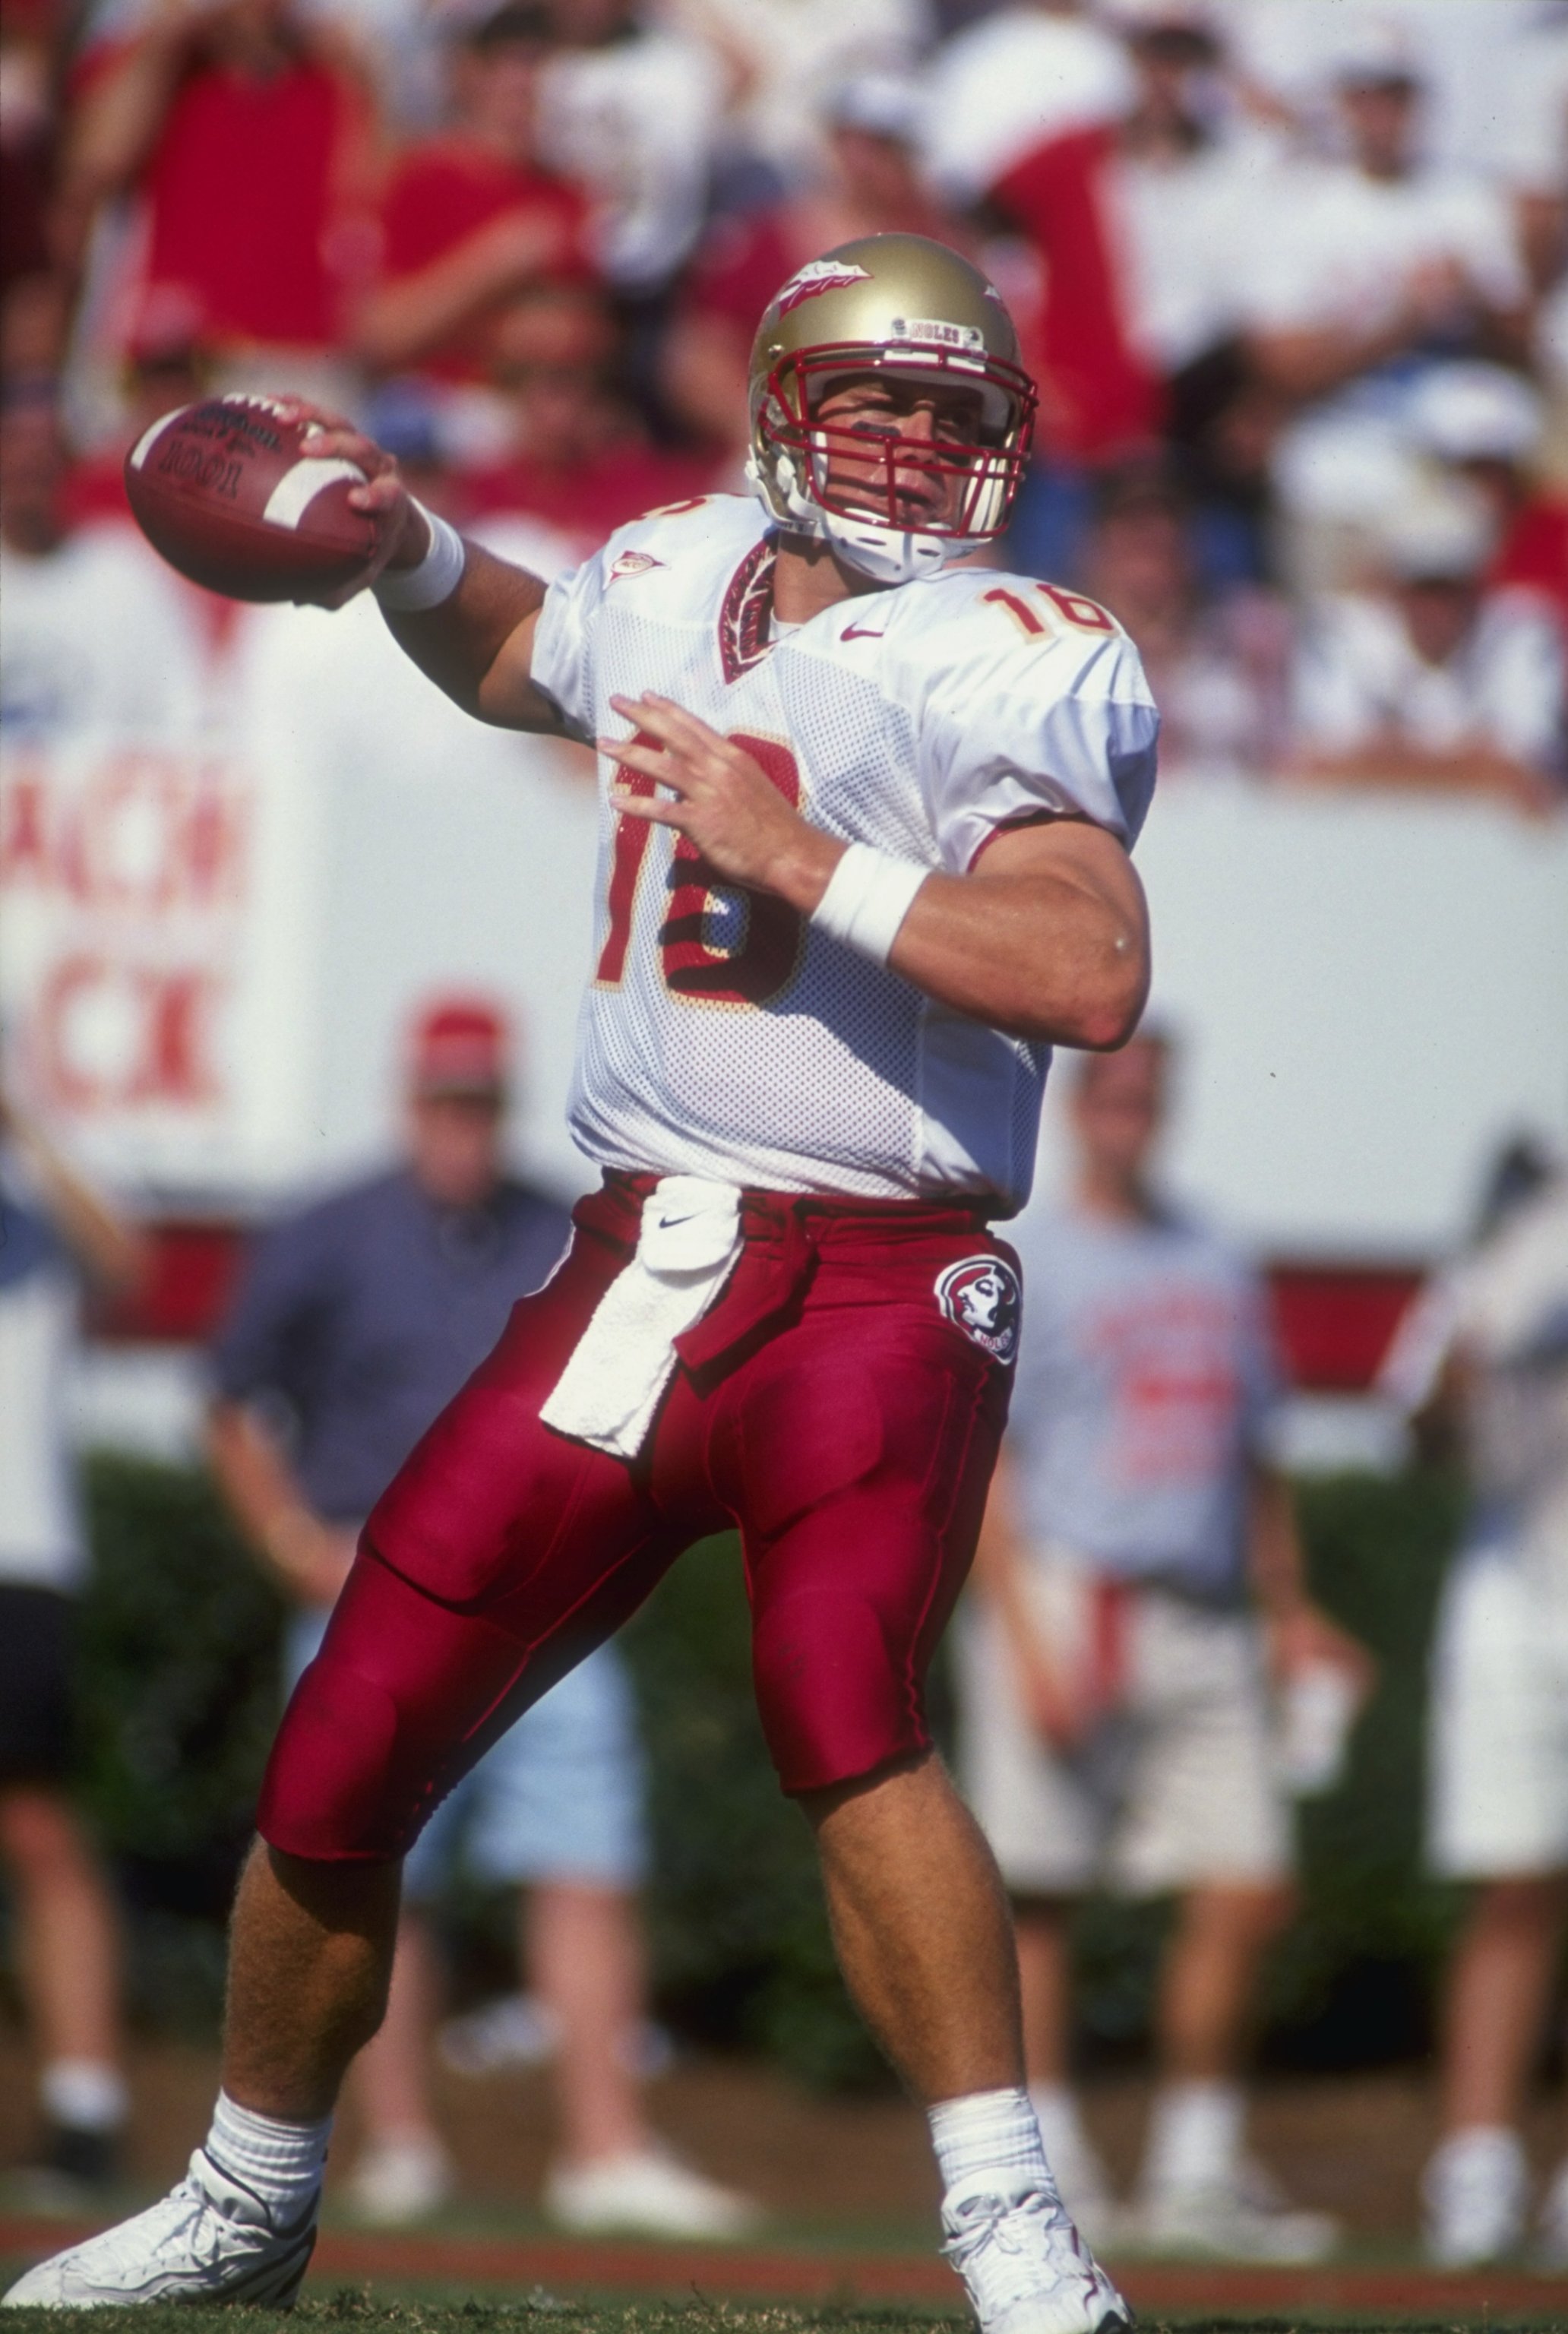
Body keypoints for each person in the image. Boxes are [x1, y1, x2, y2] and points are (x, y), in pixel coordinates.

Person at [6, 232, 1159, 2334]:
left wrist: (799, 854)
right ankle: (248, 2192)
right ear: (778, 402)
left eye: (954, 412)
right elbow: (533, 651)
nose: (914, 446)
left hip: (882, 1280)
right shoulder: (671, 563)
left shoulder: (1018, 645)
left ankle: (1014, 2234)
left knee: (847, 1713)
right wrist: (403, 545)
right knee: (348, 1741)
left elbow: (1088, 969)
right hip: (636, 1261)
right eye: (875, 401)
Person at [206, 996, 751, 2237]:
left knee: (589, 1860)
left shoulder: (553, 1224)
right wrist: (290, 1539)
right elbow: (229, 1395)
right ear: (410, 1100)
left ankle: (605, 2148)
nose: (463, 1125)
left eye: (481, 1102)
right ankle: (399, 2143)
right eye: (446, 1100)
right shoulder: (327, 1229)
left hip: (537, 1600)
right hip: (371, 1591)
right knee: (368, 1865)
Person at [957, 1033, 1370, 2263]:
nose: (1130, 1115)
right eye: (1115, 1093)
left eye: (1149, 1096)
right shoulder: (1036, 1256)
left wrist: (1288, 1608)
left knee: (1245, 1883)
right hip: (1068, 1586)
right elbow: (992, 1465)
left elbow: (1256, 1454)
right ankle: (1054, 2161)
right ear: (1084, 1105)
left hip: (1196, 1605)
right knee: (1038, 1890)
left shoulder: (1212, 1256)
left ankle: (1192, 2165)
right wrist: (1022, 1632)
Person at [1382, 1151, 1568, 2271]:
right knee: (1510, 1887)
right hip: (1510, 1607)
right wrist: (1475, 1338)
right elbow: (1416, 1442)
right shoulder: (1490, 1266)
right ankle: (1477, 2172)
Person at [0, 1088, 146, 2198]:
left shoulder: (45, 1178)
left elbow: (128, 1262)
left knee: (40, 1828)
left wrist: (24, 1126)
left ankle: (86, 2109)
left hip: (23, 1554)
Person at [355, 4, 595, 396]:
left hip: (542, 417)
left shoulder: (570, 194)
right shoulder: (419, 179)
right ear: (469, 73)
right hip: (429, 406)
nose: (525, 87)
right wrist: (497, 261)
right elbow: (380, 335)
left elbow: (580, 334)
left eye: (540, 69)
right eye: (510, 67)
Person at [1286, 489, 1565, 812]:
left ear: (1474, 587)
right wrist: (1471, 761)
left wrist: (1382, 757)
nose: (1433, 606)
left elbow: (1525, 775)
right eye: (1420, 587)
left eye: (1447, 587)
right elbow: (1317, 774)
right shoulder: (1339, 630)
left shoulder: (1523, 629)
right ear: (1393, 588)